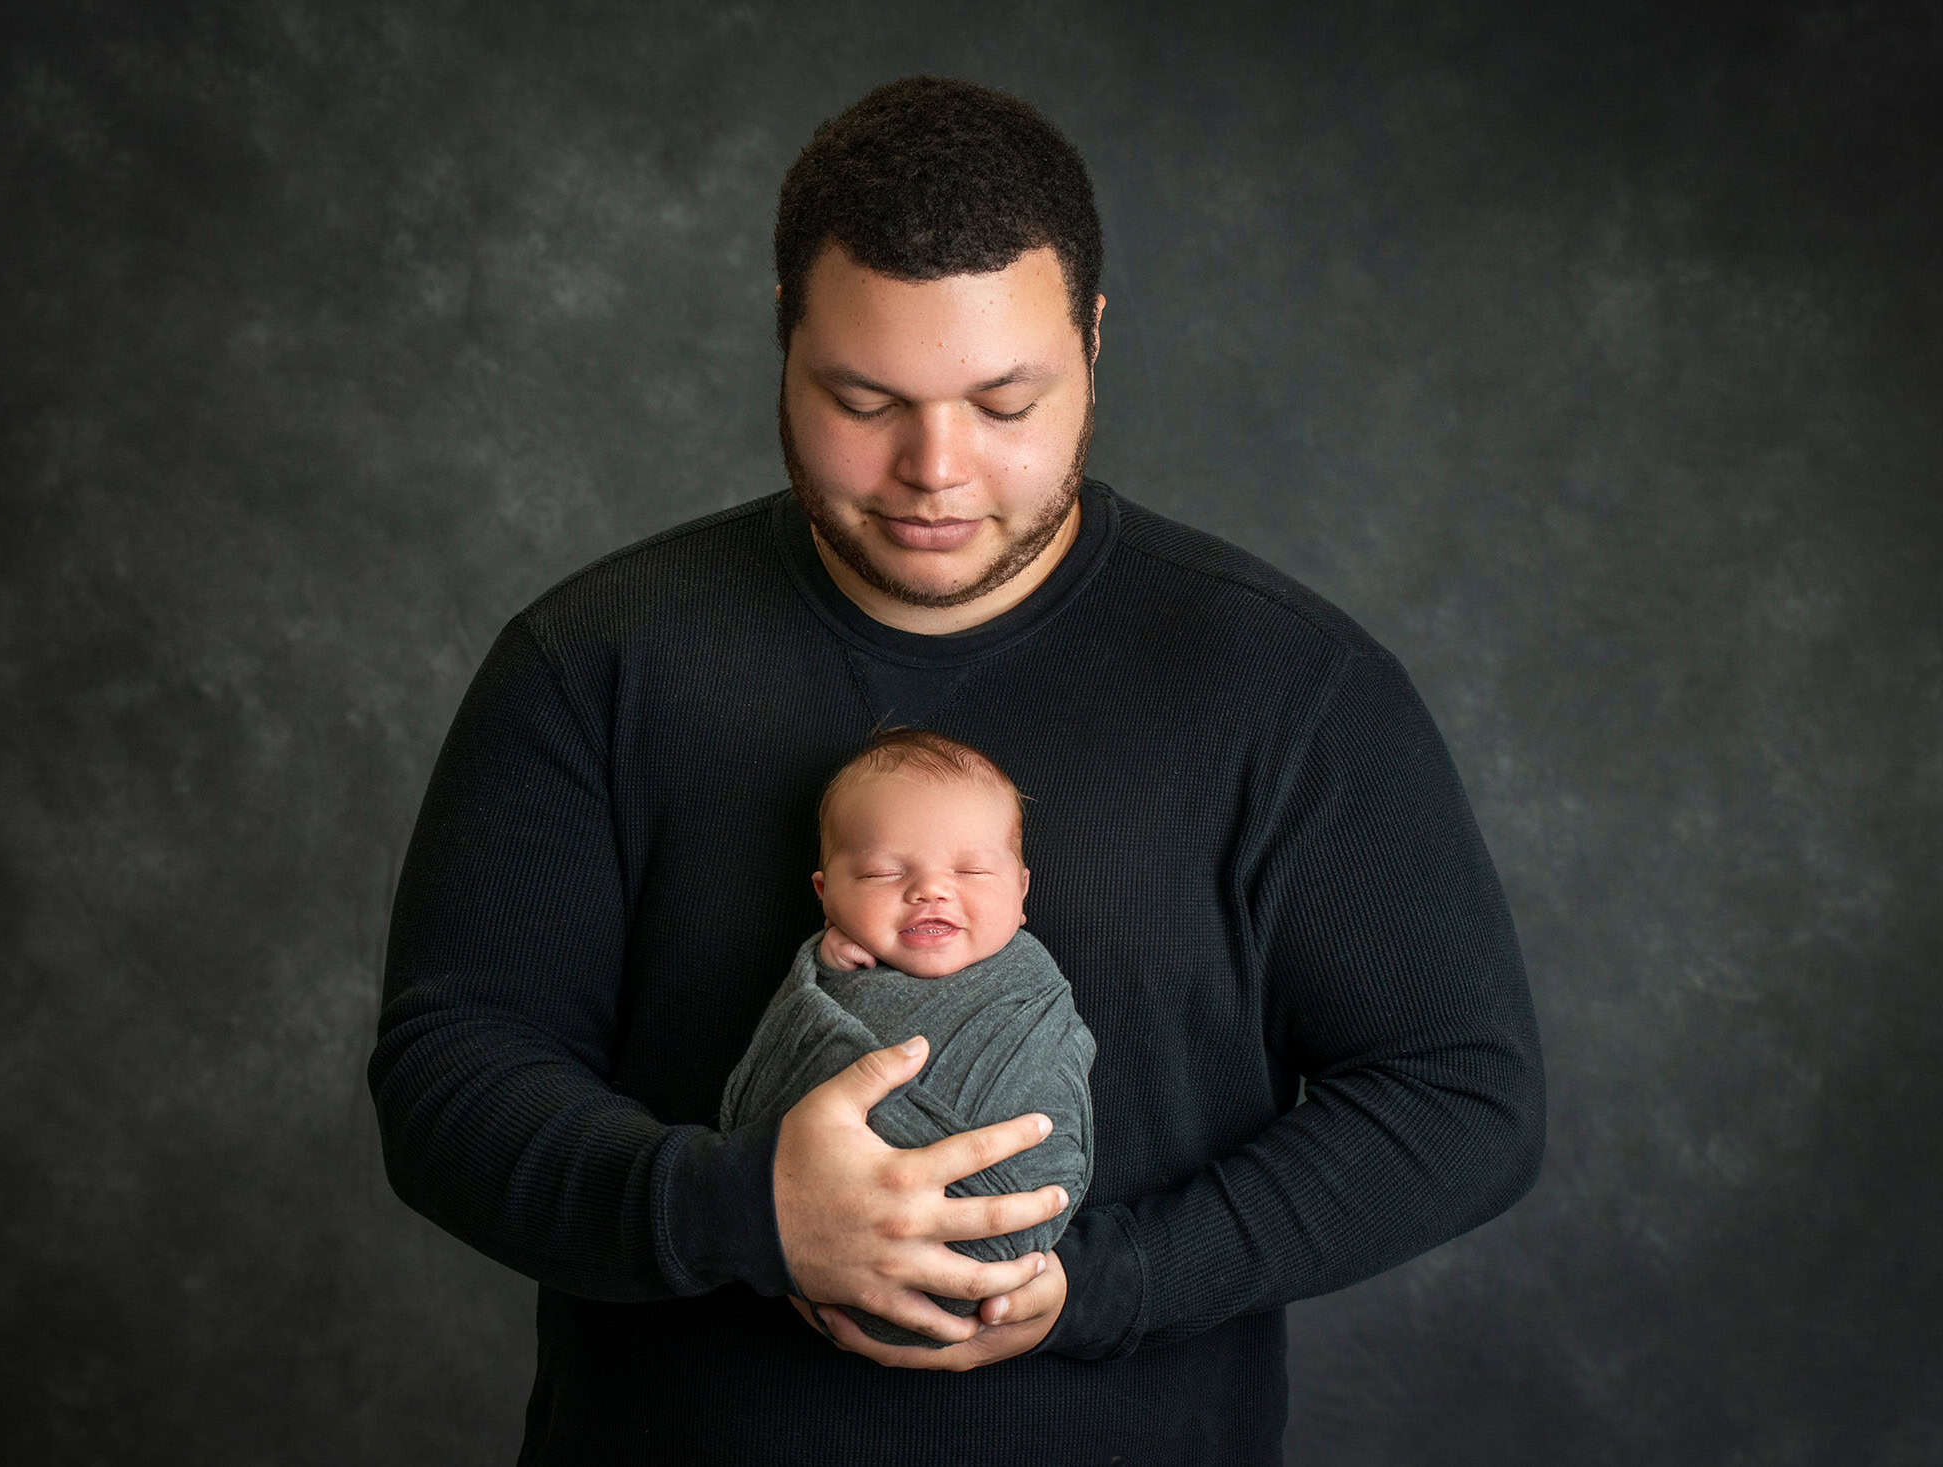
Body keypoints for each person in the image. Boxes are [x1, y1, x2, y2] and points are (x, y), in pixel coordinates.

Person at [369, 74, 1545, 1465]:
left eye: (1004, 401)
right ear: (785, 338)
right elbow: (448, 1079)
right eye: (865, 398)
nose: (935, 468)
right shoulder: (593, 662)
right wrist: (741, 1209)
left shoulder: (1289, 688)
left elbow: (1462, 1096)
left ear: (1093, 338)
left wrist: (1103, 1282)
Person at [717, 727, 1096, 1350]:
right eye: (881, 873)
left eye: (972, 870)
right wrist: (829, 973)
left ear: (1021, 890)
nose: (931, 891)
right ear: (826, 894)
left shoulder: (1029, 985)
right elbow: (775, 1081)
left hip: (1017, 1250)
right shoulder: (827, 977)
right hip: (811, 1238)